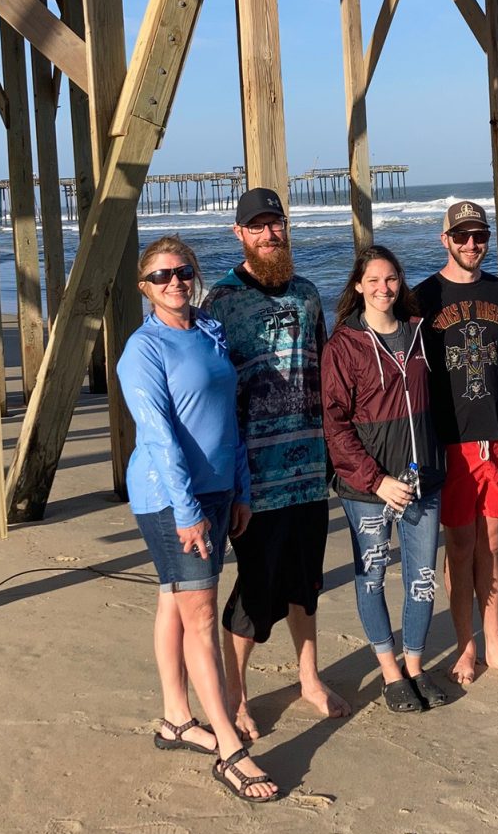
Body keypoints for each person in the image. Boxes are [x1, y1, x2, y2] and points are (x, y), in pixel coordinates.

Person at [116, 236, 280, 802]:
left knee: (175, 598)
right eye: (161, 276)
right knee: (201, 611)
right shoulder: (143, 349)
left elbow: (228, 418)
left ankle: (175, 718)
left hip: (215, 491)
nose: (175, 282)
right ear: (145, 288)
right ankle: (231, 749)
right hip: (170, 497)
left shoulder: (209, 332)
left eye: (182, 271)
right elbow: (159, 438)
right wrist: (188, 512)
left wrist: (240, 487)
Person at [202, 188, 350, 740]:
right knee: (257, 588)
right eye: (258, 226)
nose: (270, 234)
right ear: (239, 234)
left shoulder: (310, 295)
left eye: (276, 224)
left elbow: (325, 375)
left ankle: (308, 678)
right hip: (254, 477)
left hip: (309, 469)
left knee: (304, 583)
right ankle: (235, 695)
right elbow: (212, 390)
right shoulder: (221, 301)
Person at [321, 245, 448, 713]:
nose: (383, 288)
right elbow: (335, 424)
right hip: (369, 490)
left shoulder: (419, 334)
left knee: (422, 578)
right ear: (358, 286)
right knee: (372, 575)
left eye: (391, 279)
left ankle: (414, 665)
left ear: (401, 283)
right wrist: (376, 482)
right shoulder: (344, 345)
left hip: (422, 482)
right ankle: (389, 670)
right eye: (373, 280)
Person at [414, 201, 498, 686]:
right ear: (445, 240)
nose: (470, 245)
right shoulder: (422, 296)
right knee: (460, 547)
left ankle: (496, 646)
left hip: (497, 437)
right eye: (461, 236)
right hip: (450, 443)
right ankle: (465, 648)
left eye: (478, 236)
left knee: (494, 546)